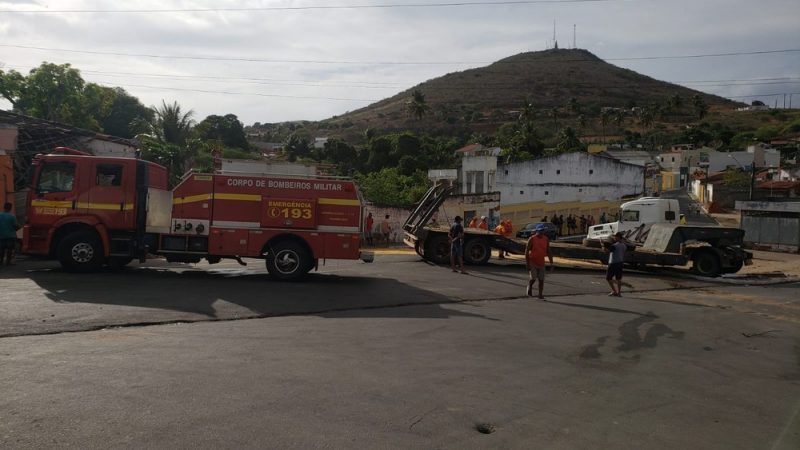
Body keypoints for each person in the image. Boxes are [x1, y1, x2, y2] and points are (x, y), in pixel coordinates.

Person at [525, 224, 553, 299]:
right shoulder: (532, 239)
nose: (541, 232)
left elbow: (548, 251)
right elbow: (527, 251)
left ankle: (540, 294)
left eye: (543, 231)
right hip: (532, 261)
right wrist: (527, 263)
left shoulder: (546, 239)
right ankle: (530, 286)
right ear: (537, 231)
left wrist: (551, 263)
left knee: (541, 279)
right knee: (533, 278)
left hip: (541, 262)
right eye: (540, 231)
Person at [605, 232, 627, 297]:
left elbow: (607, 252)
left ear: (618, 237)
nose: (614, 238)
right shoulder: (624, 246)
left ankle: (614, 291)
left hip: (613, 263)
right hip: (620, 263)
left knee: (608, 278)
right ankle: (619, 293)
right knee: (618, 278)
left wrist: (604, 248)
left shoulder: (614, 245)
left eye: (615, 237)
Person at [0, 202, 20, 267]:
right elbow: (16, 226)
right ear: (10, 208)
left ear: (4, 207)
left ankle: (1, 261)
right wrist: (18, 228)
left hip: (1, 235)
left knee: (1, 249)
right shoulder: (12, 216)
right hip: (10, 235)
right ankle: (8, 262)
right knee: (10, 249)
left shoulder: (0, 215)